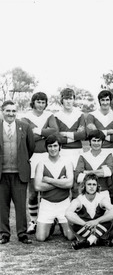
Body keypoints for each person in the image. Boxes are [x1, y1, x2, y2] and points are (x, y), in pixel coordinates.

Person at [21, 92, 59, 234]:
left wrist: (36, 132)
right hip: (32, 157)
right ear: (33, 102)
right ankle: (33, 220)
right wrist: (44, 134)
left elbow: (54, 132)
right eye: (38, 102)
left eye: (43, 102)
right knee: (32, 192)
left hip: (46, 156)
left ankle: (46, 220)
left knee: (46, 190)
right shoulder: (25, 116)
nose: (41, 105)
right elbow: (26, 136)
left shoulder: (49, 115)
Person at [0, 100, 35, 244]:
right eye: (8, 110)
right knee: (2, 205)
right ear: (2, 111)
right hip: (2, 173)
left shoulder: (25, 127)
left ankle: (22, 234)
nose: (11, 114)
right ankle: (4, 234)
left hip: (19, 173)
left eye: (13, 111)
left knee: (21, 205)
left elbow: (30, 147)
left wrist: (21, 161)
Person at [34, 135, 74, 242]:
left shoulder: (67, 162)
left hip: (64, 203)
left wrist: (49, 180)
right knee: (40, 238)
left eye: (55, 146)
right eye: (50, 146)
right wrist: (61, 182)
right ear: (46, 148)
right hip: (47, 204)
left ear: (60, 147)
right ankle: (51, 224)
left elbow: (69, 184)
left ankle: (61, 224)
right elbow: (37, 186)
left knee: (71, 236)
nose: (53, 149)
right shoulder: (41, 163)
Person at [65, 173, 113, 250]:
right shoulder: (79, 199)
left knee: (110, 216)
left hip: (98, 227)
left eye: (94, 184)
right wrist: (86, 224)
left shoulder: (102, 198)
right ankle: (98, 240)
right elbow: (67, 213)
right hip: (85, 228)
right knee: (71, 220)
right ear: (84, 186)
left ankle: (88, 241)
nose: (92, 187)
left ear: (97, 186)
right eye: (89, 184)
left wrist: (96, 221)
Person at [74, 130, 113, 202]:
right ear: (89, 141)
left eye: (98, 141)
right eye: (94, 140)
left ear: (103, 142)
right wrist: (101, 172)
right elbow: (78, 177)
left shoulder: (108, 155)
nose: (96, 143)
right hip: (86, 194)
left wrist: (86, 172)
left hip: (103, 192)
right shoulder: (83, 156)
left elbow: (108, 172)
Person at [55, 88, 86, 167]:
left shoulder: (79, 114)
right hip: (63, 151)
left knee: (78, 177)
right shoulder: (56, 116)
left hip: (78, 151)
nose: (68, 101)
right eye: (66, 99)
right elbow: (58, 138)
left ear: (74, 100)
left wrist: (65, 133)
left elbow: (82, 135)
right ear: (62, 100)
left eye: (70, 98)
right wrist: (76, 136)